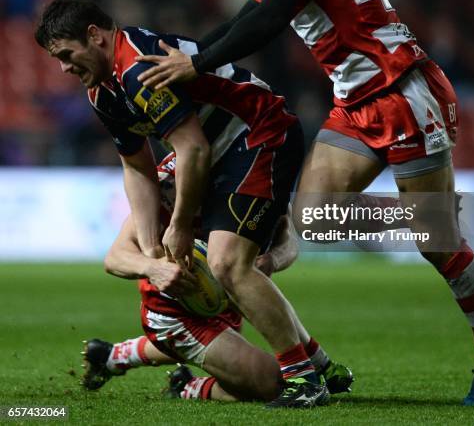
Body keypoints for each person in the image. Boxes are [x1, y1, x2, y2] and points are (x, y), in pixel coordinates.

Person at [135, 0, 474, 407]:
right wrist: (194, 55)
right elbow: (250, 16)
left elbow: (268, 23)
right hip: (355, 102)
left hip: (399, 93)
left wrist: (197, 67)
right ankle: (429, 219)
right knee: (313, 214)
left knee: (438, 245)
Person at [34, 0, 353, 408]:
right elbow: (137, 169)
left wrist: (181, 227)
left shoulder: (135, 70)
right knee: (228, 264)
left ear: (94, 35)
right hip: (221, 164)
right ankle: (306, 369)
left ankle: (305, 376)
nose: (62, 67)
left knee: (227, 262)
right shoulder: (105, 92)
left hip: (258, 133)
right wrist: (153, 253)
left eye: (65, 53)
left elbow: (195, 151)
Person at [83, 153, 351, 402]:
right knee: (273, 384)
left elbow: (288, 239)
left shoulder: (246, 180)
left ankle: (113, 357)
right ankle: (188, 388)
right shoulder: (160, 196)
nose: (170, 194)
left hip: (228, 298)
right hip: (174, 315)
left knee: (238, 333)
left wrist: (273, 259)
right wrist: (153, 268)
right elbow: (115, 257)